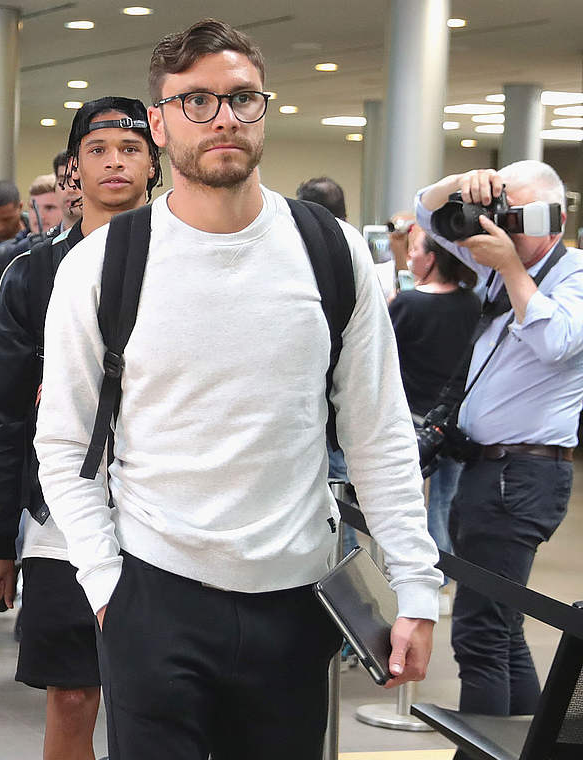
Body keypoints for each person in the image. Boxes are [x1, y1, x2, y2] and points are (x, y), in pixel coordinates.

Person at [34, 20, 442, 758]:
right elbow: (63, 444)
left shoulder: (329, 250)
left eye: (241, 98)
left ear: (262, 109)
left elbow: (378, 432)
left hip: (295, 600)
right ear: (157, 123)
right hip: (153, 592)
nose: (222, 116)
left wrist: (415, 584)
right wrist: (105, 586)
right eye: (195, 102)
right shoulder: (102, 266)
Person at [0, 96, 159, 760]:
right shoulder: (31, 275)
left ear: (154, 162)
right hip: (62, 513)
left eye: (131, 149)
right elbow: (2, 412)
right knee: (74, 693)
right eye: (98, 151)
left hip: (169, 509)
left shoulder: (184, 261)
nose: (115, 163)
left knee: (160, 699)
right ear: (72, 170)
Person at [415, 160, 583, 722]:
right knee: (504, 631)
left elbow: (556, 341)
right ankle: (535, 747)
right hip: (490, 472)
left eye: (510, 216)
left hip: (523, 476)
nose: (497, 226)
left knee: (481, 636)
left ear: (550, 218)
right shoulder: (499, 264)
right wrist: (460, 186)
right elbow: (427, 215)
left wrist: (511, 267)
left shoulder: (572, 273)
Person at [387, 228, 479, 558]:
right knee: (445, 502)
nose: (410, 256)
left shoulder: (409, 303)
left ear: (431, 258)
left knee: (406, 503)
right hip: (455, 419)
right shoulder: (472, 303)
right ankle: (443, 572)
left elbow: (385, 353)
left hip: (412, 420)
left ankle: (417, 571)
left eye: (414, 250)